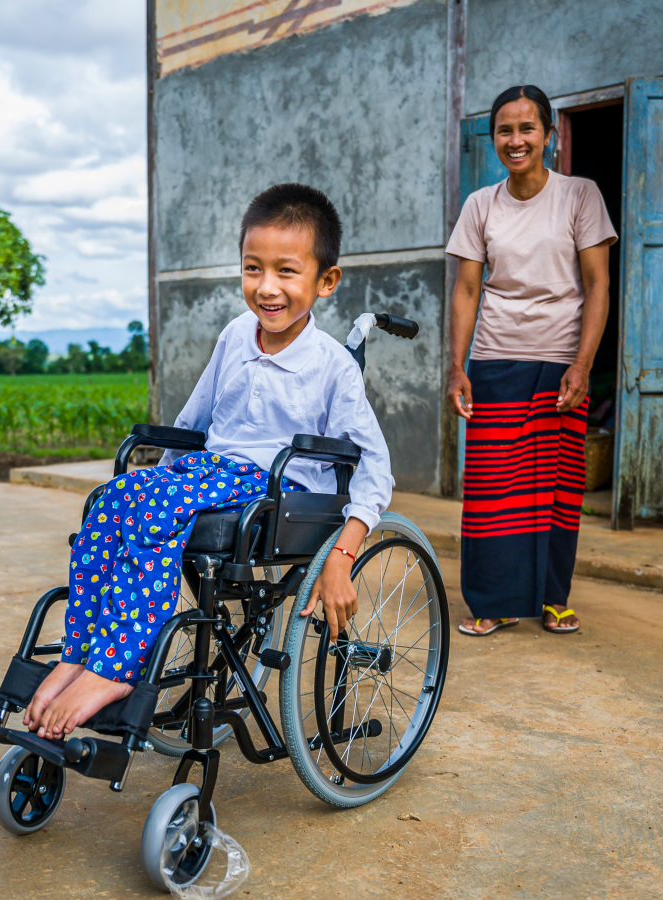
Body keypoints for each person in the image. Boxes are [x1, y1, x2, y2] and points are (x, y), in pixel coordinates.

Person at [24, 183, 394, 740]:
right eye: (252, 268)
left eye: (286, 272)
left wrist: (345, 550)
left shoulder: (333, 366)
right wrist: (149, 478)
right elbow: (192, 422)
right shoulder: (234, 337)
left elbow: (375, 465)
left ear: (326, 281)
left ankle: (116, 670)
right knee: (109, 501)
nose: (266, 288)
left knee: (152, 506)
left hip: (280, 492)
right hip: (212, 474)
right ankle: (81, 653)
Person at [445, 85, 616, 638]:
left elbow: (597, 283)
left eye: (527, 128)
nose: (515, 140)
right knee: (496, 488)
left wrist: (583, 362)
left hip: (561, 362)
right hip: (496, 359)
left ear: (548, 135)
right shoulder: (481, 205)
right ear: (493, 137)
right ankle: (493, 601)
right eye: (504, 130)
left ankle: (552, 598)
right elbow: (467, 290)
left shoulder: (580, 196)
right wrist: (457, 365)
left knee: (555, 488)